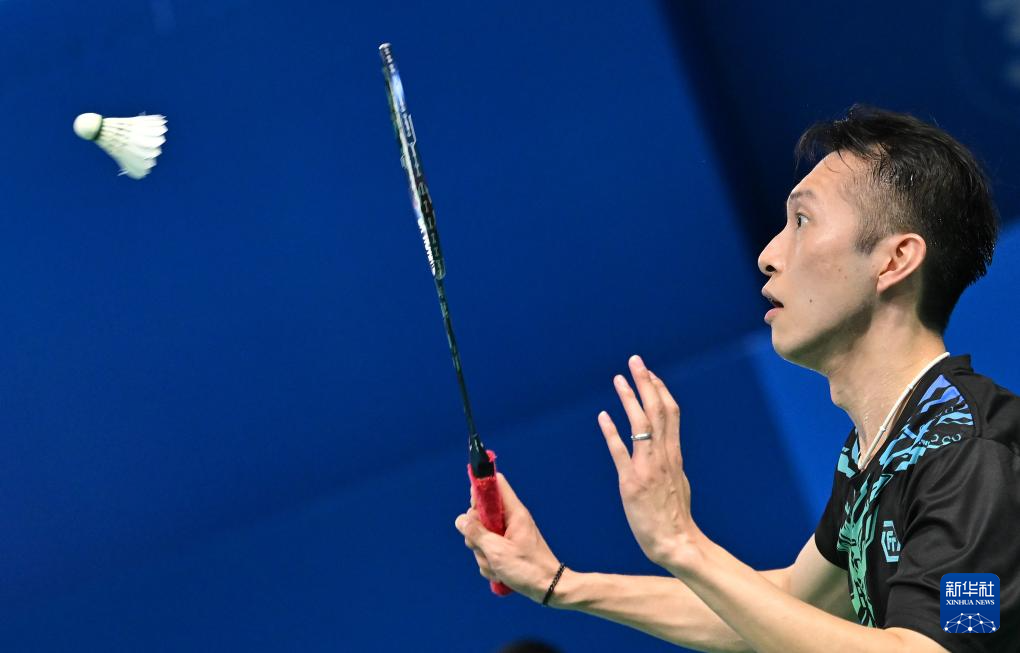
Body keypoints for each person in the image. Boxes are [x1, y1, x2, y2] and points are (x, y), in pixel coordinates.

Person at [455, 105, 1020, 653]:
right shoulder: (885, 451)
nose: (769, 254)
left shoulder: (973, 455)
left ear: (894, 261)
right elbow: (791, 605)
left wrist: (682, 544)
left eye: (802, 221)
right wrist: (560, 583)